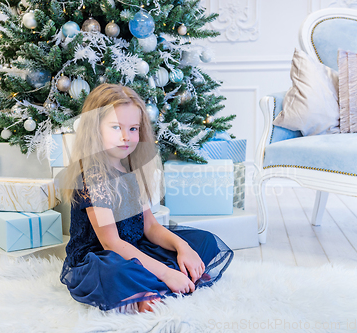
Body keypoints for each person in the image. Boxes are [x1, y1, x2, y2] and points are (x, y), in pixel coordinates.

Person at [59, 83, 233, 314]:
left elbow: (150, 226)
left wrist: (183, 247)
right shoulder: (94, 177)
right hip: (102, 256)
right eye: (115, 127)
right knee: (115, 271)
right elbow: (111, 243)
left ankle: (160, 281)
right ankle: (149, 288)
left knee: (204, 241)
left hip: (134, 246)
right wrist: (165, 271)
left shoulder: (131, 170)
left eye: (133, 129)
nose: (126, 137)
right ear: (95, 129)